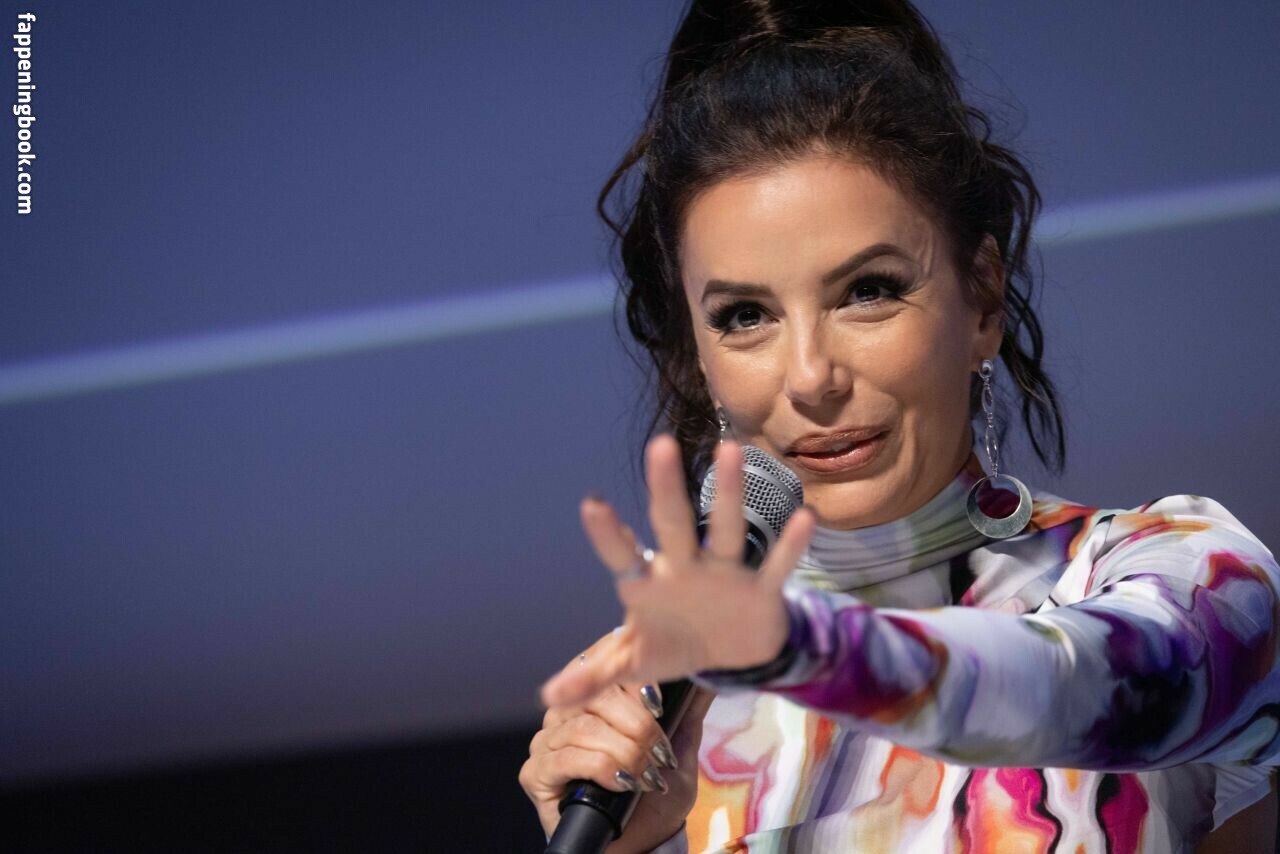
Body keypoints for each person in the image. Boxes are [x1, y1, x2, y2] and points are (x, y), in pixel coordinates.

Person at [518, 1, 1280, 851]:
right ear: (698, 352)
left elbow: (1084, 683)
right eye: (743, 316)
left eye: (868, 291)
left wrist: (808, 654)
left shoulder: (1183, 577)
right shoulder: (665, 712)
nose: (810, 377)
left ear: (981, 298)